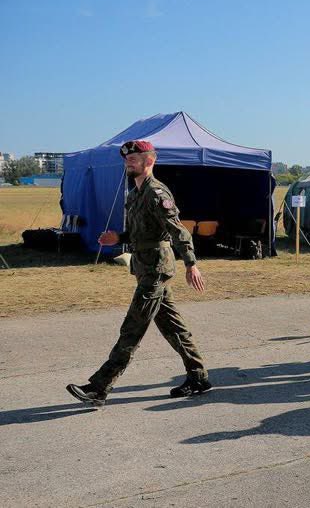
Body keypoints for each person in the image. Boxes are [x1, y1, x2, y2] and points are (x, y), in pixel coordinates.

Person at [66, 140, 210, 407]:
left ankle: (99, 387)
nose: (128, 162)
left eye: (135, 158)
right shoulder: (134, 193)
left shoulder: (157, 193)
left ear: (150, 161)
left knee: (132, 329)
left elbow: (178, 231)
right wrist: (117, 238)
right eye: (127, 159)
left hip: (156, 268)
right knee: (173, 328)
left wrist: (191, 263)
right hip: (144, 266)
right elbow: (139, 232)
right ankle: (198, 376)